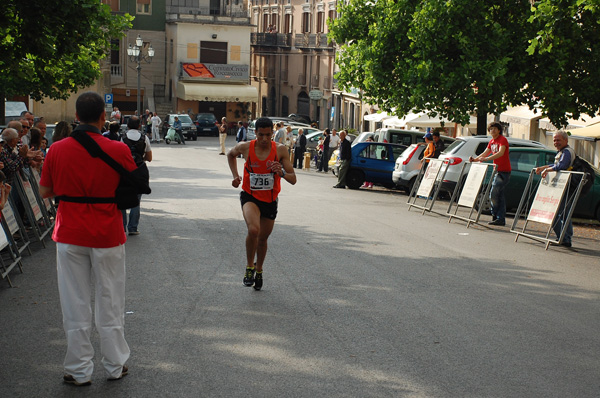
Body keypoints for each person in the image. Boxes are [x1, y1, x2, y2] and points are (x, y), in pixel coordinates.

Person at [39, 92, 135, 386]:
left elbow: (45, 192)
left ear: (76, 116)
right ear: (103, 117)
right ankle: (115, 364)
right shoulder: (118, 149)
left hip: (70, 231)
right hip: (107, 231)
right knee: (111, 299)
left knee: (74, 302)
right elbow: (131, 189)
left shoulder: (56, 150)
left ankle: (79, 370)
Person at [226, 117, 297, 291]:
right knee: (253, 230)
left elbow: (293, 179)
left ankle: (259, 270)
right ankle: (250, 267)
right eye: (260, 135)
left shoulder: (280, 150)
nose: (264, 139)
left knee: (263, 239)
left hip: (270, 200)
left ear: (272, 133)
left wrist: (280, 173)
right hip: (250, 196)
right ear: (255, 133)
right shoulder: (246, 147)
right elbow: (230, 154)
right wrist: (235, 175)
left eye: (268, 135)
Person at [534, 130, 575, 247]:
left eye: (558, 140)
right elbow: (557, 165)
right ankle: (562, 237)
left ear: (565, 140)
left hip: (566, 187)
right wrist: (544, 167)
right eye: (554, 140)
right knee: (559, 213)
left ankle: (565, 238)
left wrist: (547, 170)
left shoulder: (567, 152)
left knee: (562, 213)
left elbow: (562, 166)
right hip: (560, 187)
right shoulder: (562, 152)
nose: (556, 142)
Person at [469, 122, 511, 226]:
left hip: (504, 171)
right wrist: (475, 159)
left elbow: (500, 153)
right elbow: (485, 152)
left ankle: (497, 216)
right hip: (496, 171)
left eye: (495, 129)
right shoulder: (492, 141)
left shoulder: (502, 140)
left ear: (499, 130)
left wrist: (486, 159)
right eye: (491, 129)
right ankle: (499, 218)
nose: (492, 130)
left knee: (494, 193)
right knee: (498, 194)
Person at [121, 116, 152, 236]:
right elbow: (149, 158)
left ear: (127, 125)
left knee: (122, 197)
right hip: (139, 171)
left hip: (124, 171)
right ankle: (133, 228)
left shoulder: (122, 138)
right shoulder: (145, 138)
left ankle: (122, 227)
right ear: (139, 125)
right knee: (136, 200)